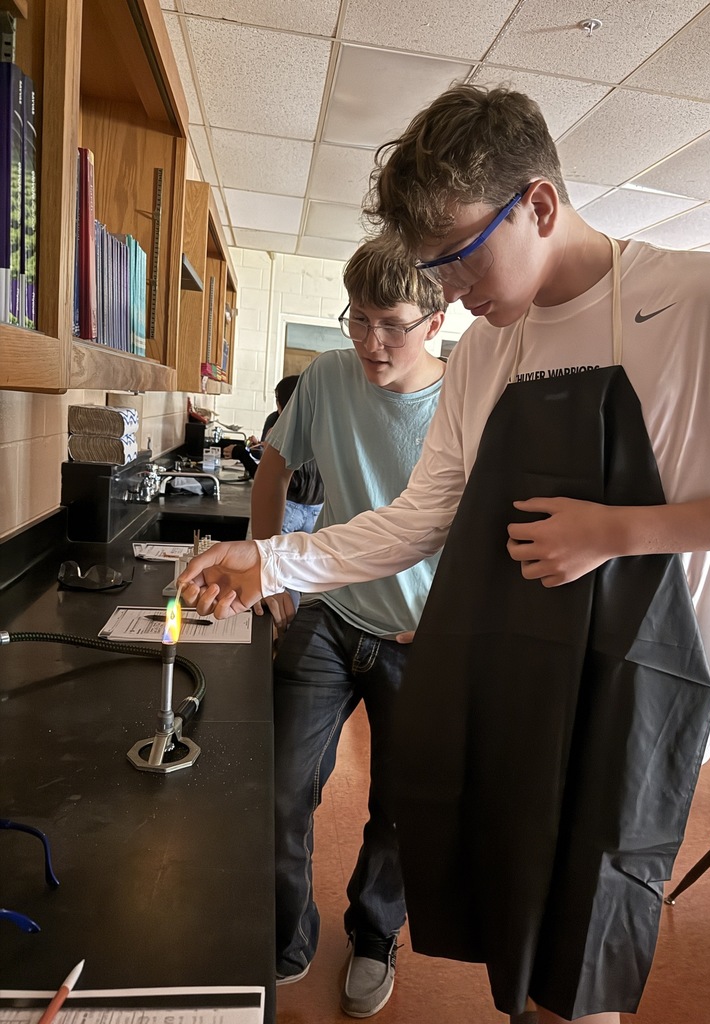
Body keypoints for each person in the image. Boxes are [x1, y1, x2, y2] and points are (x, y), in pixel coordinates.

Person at [179, 85, 710, 1024]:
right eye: (434, 268)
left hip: (643, 695)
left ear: (536, 205)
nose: (448, 292)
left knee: (586, 970)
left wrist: (621, 531)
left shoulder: (706, 299)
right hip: (517, 680)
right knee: (518, 938)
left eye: (457, 258)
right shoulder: (493, 353)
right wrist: (273, 562)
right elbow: (419, 518)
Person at [249, 235, 447, 1018]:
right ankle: (285, 933)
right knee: (279, 790)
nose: (370, 342)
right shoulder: (329, 378)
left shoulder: (465, 402)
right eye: (357, 320)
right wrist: (271, 573)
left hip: (416, 637)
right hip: (327, 617)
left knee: (400, 806)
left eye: (390, 324)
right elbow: (273, 467)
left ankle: (374, 934)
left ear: (437, 318)